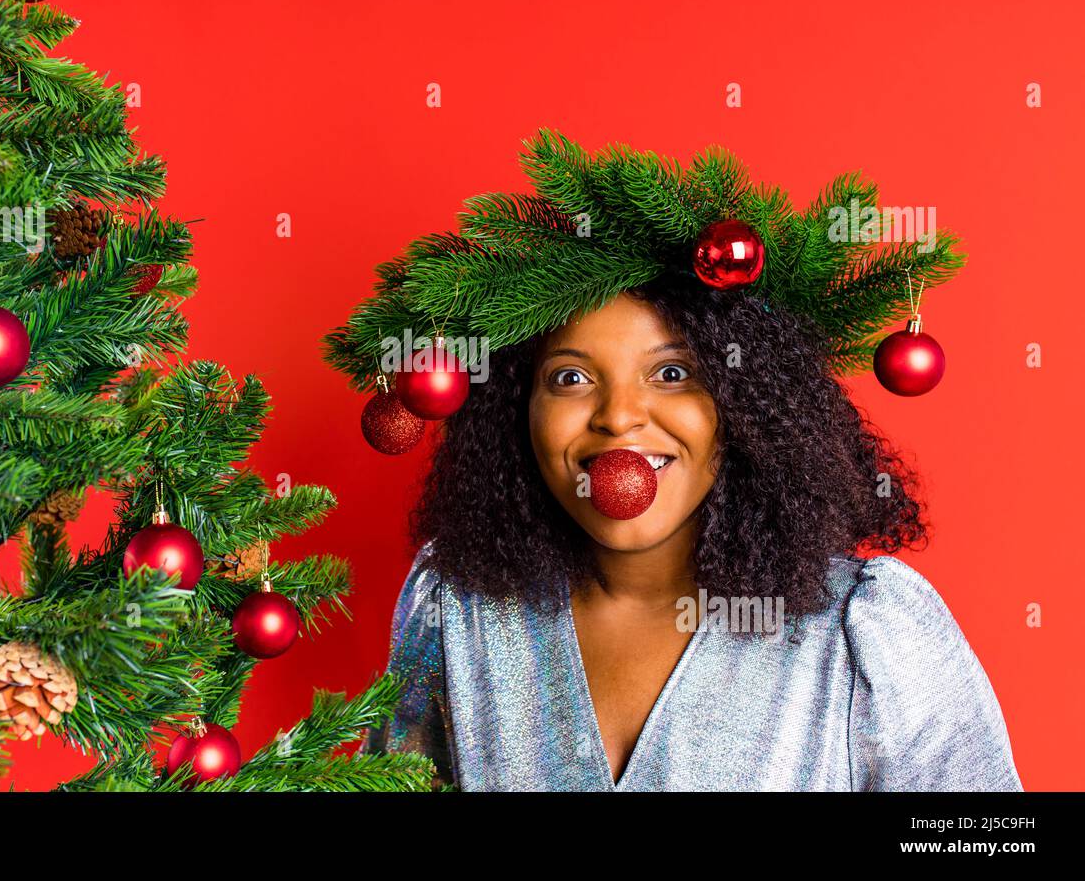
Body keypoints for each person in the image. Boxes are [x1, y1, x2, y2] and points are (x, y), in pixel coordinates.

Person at [328, 131, 1021, 791]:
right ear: (516, 414)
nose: (619, 416)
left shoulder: (865, 630)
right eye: (570, 378)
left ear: (743, 405)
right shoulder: (460, 608)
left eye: (671, 375)